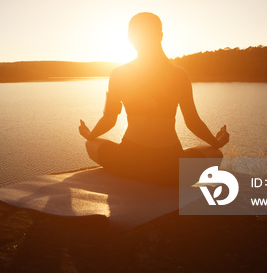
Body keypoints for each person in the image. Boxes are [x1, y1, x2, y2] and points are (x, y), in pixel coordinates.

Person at [78, 12, 229, 185]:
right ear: (160, 36)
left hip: (128, 162)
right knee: (215, 154)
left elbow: (109, 119)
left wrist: (91, 135)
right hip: (170, 168)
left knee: (91, 145)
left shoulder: (119, 74)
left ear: (130, 38)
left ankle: (137, 173)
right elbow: (192, 121)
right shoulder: (179, 75)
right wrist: (216, 142)